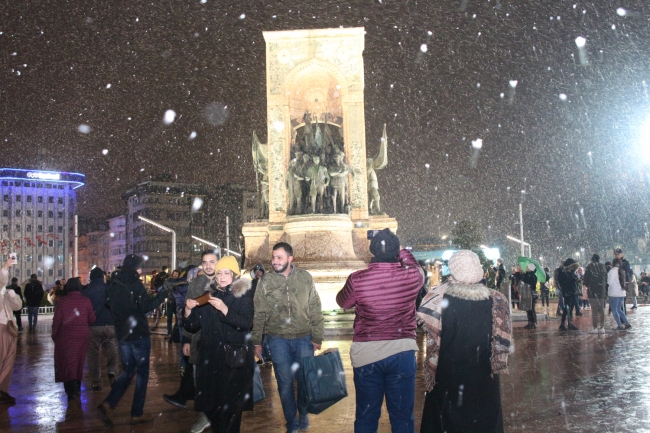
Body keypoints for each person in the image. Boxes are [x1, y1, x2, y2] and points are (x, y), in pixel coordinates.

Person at [336, 228, 424, 433]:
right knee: (402, 417)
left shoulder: (357, 279)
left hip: (367, 353)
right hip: (402, 351)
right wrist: (400, 250)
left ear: (372, 251)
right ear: (396, 251)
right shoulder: (412, 276)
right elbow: (416, 266)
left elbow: (343, 302)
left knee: (366, 417)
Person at [417, 250, 511, 433]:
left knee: (446, 422)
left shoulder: (437, 299)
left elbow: (432, 338)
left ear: (453, 270)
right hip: (485, 378)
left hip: (448, 377)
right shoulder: (497, 299)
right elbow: (502, 343)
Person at [251, 242, 324, 433]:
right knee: (284, 384)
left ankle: (303, 412)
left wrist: (317, 335)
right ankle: (291, 422)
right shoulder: (265, 281)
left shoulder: (305, 277)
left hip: (304, 338)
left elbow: (315, 307)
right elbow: (259, 312)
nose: (275, 261)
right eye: (273, 257)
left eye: (279, 257)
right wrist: (257, 341)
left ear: (290, 259)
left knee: (304, 381)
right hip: (277, 339)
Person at [184, 255, 255, 433]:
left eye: (226, 273)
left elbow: (246, 323)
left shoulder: (243, 296)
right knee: (213, 408)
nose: (222, 277)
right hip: (210, 360)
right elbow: (192, 325)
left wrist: (225, 309)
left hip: (232, 361)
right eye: (219, 273)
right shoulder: (208, 296)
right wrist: (187, 309)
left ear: (234, 275)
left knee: (230, 411)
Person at [97, 254, 168, 427]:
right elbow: (145, 307)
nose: (141, 270)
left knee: (128, 370)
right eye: (140, 266)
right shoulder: (135, 284)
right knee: (142, 373)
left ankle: (109, 403)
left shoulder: (113, 283)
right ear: (135, 267)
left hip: (122, 334)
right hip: (138, 334)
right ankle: (136, 413)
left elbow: (108, 303)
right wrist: (162, 295)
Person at [52, 278, 96, 402]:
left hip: (66, 336)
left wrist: (55, 334)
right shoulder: (86, 301)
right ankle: (77, 386)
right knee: (79, 361)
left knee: (67, 362)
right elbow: (92, 319)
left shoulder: (63, 301)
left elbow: (57, 321)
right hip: (82, 336)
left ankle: (70, 389)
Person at [82, 267, 118, 391]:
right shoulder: (110, 289)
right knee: (112, 347)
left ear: (91, 278)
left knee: (93, 353)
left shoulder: (86, 291)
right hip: (110, 324)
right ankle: (112, 370)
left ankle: (96, 381)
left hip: (93, 326)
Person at [0, 258, 22, 404]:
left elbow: (18, 307)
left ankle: (3, 390)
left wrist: (13, 296)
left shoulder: (6, 293)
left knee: (9, 361)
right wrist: (6, 266)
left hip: (10, 329)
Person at [249, 264, 271, 365]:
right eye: (256, 271)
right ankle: (261, 356)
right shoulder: (250, 285)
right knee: (258, 336)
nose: (258, 273)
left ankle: (267, 356)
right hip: (254, 313)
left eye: (260, 271)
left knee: (265, 336)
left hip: (264, 314)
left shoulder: (267, 285)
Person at [583, 254, 608, 334]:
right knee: (601, 310)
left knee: (594, 310)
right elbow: (606, 279)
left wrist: (590, 285)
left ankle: (594, 327)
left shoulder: (589, 267)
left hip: (592, 291)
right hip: (601, 292)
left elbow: (585, 281)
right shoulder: (603, 267)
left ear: (592, 259)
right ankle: (602, 327)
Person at [608, 258, 631, 330]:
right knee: (619, 309)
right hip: (622, 293)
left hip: (614, 293)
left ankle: (620, 325)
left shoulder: (612, 271)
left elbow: (609, 282)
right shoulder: (621, 271)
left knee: (614, 310)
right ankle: (627, 323)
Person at [557, 258, 580, 331]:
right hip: (567, 292)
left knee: (570, 308)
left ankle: (569, 323)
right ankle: (563, 324)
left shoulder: (571, 271)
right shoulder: (563, 272)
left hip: (572, 292)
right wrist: (573, 280)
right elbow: (563, 282)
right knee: (567, 308)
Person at [521, 264, 538, 329]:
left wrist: (524, 274)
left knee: (529, 309)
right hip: (530, 293)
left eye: (527, 267)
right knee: (531, 309)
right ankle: (532, 322)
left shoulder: (530, 275)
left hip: (529, 293)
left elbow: (526, 282)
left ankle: (532, 323)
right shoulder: (533, 275)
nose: (526, 268)